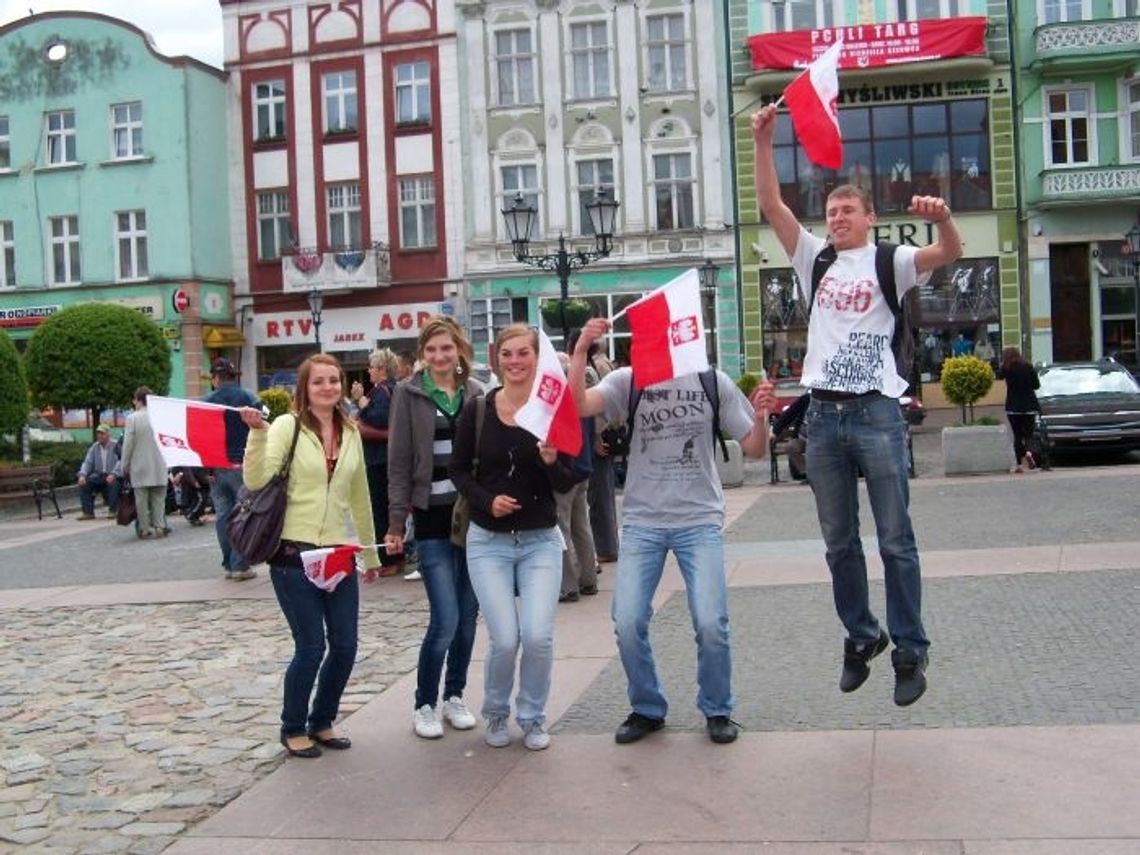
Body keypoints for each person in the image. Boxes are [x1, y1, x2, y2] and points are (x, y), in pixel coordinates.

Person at [752, 102, 963, 707]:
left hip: (875, 412)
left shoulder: (889, 259)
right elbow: (772, 206)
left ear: (870, 217)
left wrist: (944, 218)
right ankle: (860, 635)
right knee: (838, 542)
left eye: (848, 210)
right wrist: (766, 142)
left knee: (896, 539)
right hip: (823, 417)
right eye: (831, 211)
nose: (838, 217)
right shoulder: (813, 258)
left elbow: (947, 252)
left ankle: (910, 651)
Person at [568, 318, 776, 745]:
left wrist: (761, 416)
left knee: (711, 623)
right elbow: (576, 405)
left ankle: (717, 709)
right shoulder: (629, 380)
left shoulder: (710, 380)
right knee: (626, 621)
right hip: (644, 521)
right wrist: (580, 350)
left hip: (698, 520)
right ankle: (647, 707)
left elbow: (754, 448)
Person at [238, 353, 381, 759]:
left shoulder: (351, 431)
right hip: (293, 555)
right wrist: (258, 434)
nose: (328, 388)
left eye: (334, 380)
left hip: (336, 555)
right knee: (311, 647)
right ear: (305, 388)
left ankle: (323, 720)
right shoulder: (287, 427)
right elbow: (256, 479)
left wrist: (369, 555)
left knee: (346, 644)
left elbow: (360, 498)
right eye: (319, 381)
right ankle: (293, 726)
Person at [450, 324, 578, 750]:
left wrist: (549, 461)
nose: (516, 361)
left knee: (538, 635)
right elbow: (457, 472)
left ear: (537, 357)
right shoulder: (478, 408)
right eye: (508, 354)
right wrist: (487, 501)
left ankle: (534, 716)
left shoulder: (551, 406)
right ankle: (497, 711)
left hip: (541, 539)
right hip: (489, 541)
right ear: (496, 358)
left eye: (524, 353)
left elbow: (567, 483)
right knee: (505, 638)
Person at [386, 316, 482, 740]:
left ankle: (454, 695)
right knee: (444, 617)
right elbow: (399, 462)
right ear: (422, 356)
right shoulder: (409, 395)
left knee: (468, 617)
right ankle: (425, 702)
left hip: (475, 520)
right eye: (431, 350)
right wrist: (394, 521)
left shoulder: (477, 392)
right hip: (431, 518)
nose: (439, 357)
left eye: (446, 348)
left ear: (458, 349)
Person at [204, 357, 262, 581]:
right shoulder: (248, 397)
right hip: (243, 464)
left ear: (215, 378)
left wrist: (206, 469)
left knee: (223, 516)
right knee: (243, 514)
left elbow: (202, 438)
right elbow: (262, 425)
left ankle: (229, 563)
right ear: (233, 377)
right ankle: (240, 565)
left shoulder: (207, 402)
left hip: (216, 466)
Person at [351, 348, 402, 576]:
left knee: (379, 511)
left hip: (378, 459)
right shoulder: (393, 389)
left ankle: (388, 561)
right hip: (387, 457)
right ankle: (395, 557)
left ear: (381, 369)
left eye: (371, 367)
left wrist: (361, 402)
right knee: (388, 509)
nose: (368, 371)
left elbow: (380, 419)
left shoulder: (382, 391)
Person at [553, 350, 598, 603]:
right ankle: (589, 579)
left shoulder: (559, 400)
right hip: (583, 468)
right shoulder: (582, 397)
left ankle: (568, 585)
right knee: (582, 526)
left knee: (562, 527)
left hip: (566, 471)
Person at [573, 330, 619, 563]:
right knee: (601, 496)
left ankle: (607, 548)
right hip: (595, 440)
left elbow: (596, 410)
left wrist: (597, 437)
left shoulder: (589, 370)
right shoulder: (595, 365)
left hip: (594, 441)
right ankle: (608, 546)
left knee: (599, 497)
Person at [121, 387, 170, 540]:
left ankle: (144, 529)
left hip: (140, 465)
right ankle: (160, 526)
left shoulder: (132, 418)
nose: (133, 402)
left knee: (141, 500)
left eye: (135, 399)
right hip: (160, 464)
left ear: (139, 400)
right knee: (159, 499)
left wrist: (125, 464)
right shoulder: (161, 416)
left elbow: (128, 444)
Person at [999, 347, 1040, 473]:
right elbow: (1036, 385)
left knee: (1017, 436)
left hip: (1013, 407)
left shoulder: (1006, 369)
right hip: (1029, 406)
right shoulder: (1028, 367)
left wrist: (1003, 366)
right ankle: (1029, 453)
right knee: (1029, 435)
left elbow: (998, 376)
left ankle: (1019, 465)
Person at [76, 424, 120, 520]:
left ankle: (113, 510)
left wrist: (114, 473)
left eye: (102, 433)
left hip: (113, 475)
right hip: (98, 475)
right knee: (84, 484)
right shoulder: (94, 447)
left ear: (109, 434)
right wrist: (82, 475)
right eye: (98, 433)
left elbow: (121, 461)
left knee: (113, 483)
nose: (100, 436)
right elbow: (87, 462)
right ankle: (88, 512)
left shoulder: (116, 445)